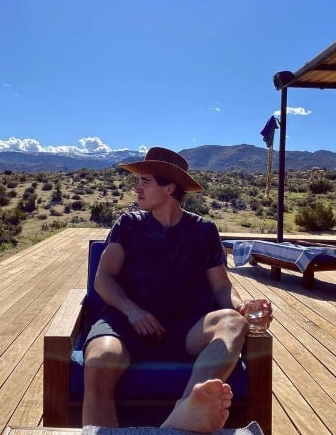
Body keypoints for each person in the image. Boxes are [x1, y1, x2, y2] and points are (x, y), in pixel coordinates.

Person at [82, 147, 272, 432]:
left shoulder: (203, 230)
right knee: (98, 362)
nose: (137, 188)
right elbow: (103, 279)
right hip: (125, 323)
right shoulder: (128, 225)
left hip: (186, 327)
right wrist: (134, 312)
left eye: (145, 182)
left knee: (233, 322)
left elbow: (221, 286)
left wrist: (242, 306)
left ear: (169, 188)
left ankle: (187, 410)